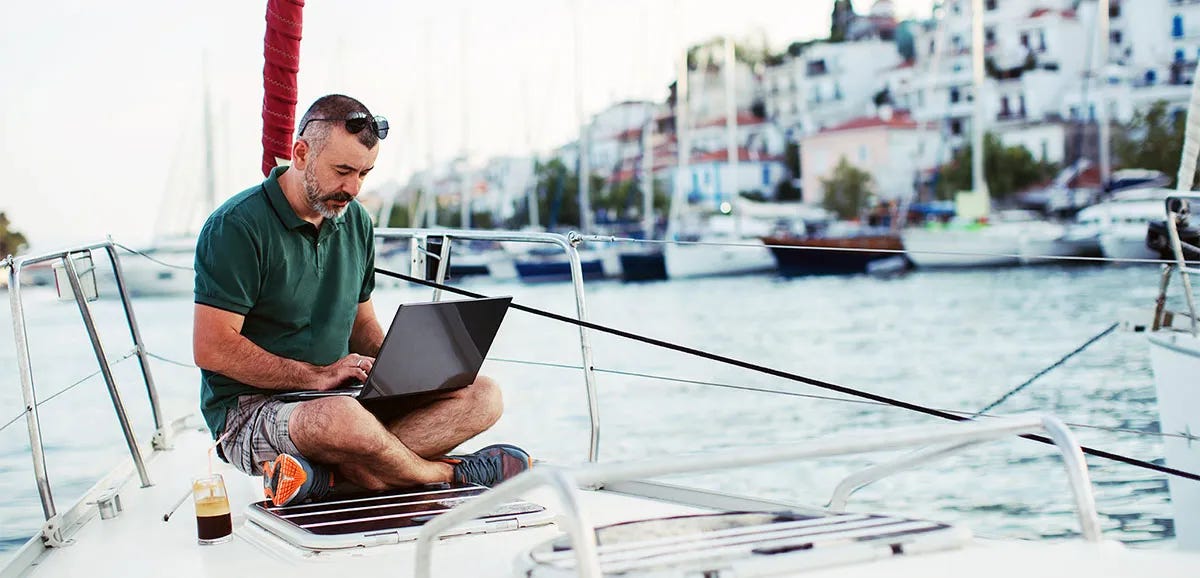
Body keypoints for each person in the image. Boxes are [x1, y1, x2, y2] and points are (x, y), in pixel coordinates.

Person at [192, 94, 531, 507]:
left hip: (341, 398)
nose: (352, 188)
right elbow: (211, 347)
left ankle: (325, 482)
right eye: (342, 171)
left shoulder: (354, 221)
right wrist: (315, 376)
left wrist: (407, 371)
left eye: (364, 174)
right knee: (344, 419)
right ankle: (449, 473)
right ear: (301, 154)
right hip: (251, 411)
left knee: (484, 394)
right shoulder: (236, 226)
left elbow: (362, 327)